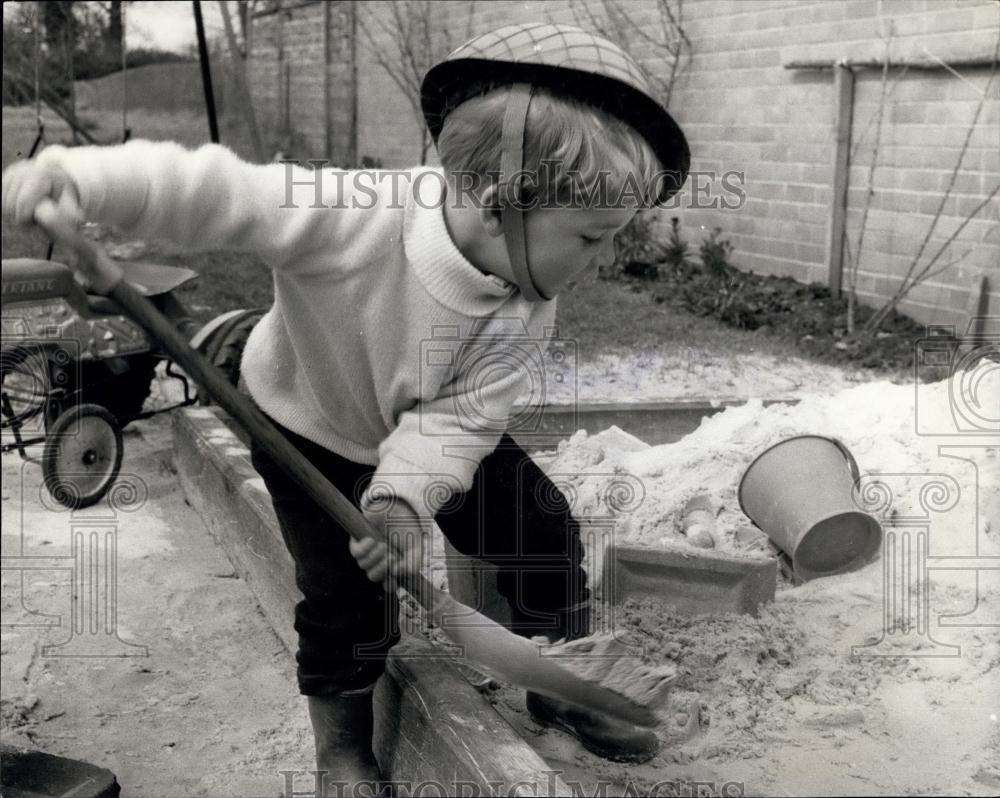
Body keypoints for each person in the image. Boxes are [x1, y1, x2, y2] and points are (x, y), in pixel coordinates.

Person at [2, 21, 689, 789]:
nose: (599, 262)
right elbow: (223, 193)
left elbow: (459, 420)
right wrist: (84, 181)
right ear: (502, 204)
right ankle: (343, 750)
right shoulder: (354, 215)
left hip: (428, 427)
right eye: (592, 237)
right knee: (347, 601)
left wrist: (399, 502)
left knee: (541, 527)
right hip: (309, 421)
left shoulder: (528, 302)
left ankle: (561, 677)